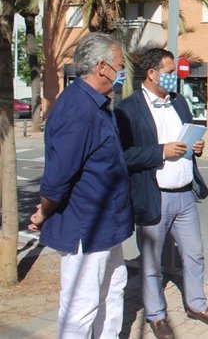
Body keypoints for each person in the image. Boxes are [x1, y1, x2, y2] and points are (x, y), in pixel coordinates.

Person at [114, 48, 208, 339]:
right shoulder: (128, 109)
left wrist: (197, 146)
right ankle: (156, 316)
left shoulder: (179, 103)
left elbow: (189, 135)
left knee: (195, 254)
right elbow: (122, 156)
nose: (174, 77)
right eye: (169, 72)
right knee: (151, 262)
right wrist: (160, 152)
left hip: (185, 195)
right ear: (151, 74)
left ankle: (197, 305)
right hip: (154, 195)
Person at [28, 32, 133, 338]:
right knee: (81, 306)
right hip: (86, 226)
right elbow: (59, 175)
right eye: (119, 65)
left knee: (113, 291)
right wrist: (44, 211)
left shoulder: (99, 105)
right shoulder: (76, 108)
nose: (121, 71)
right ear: (102, 67)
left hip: (108, 224)